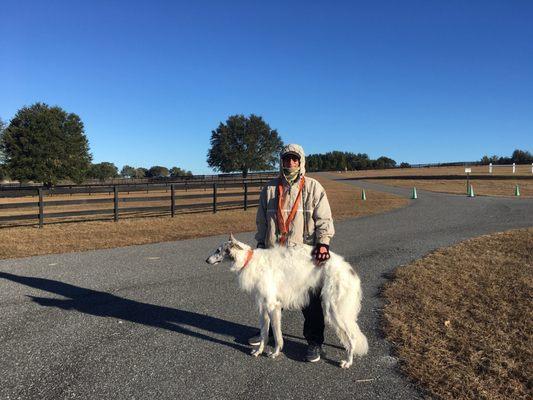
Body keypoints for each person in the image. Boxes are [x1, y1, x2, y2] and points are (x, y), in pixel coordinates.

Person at [250, 143, 335, 362]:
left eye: (294, 159)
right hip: (274, 255)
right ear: (282, 161)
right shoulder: (270, 188)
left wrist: (323, 244)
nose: (290, 163)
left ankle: (314, 341)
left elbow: (324, 219)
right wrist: (260, 244)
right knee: (270, 296)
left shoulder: (313, 187)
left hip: (303, 256)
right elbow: (261, 220)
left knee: (309, 300)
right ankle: (266, 334)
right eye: (287, 159)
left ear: (301, 161)